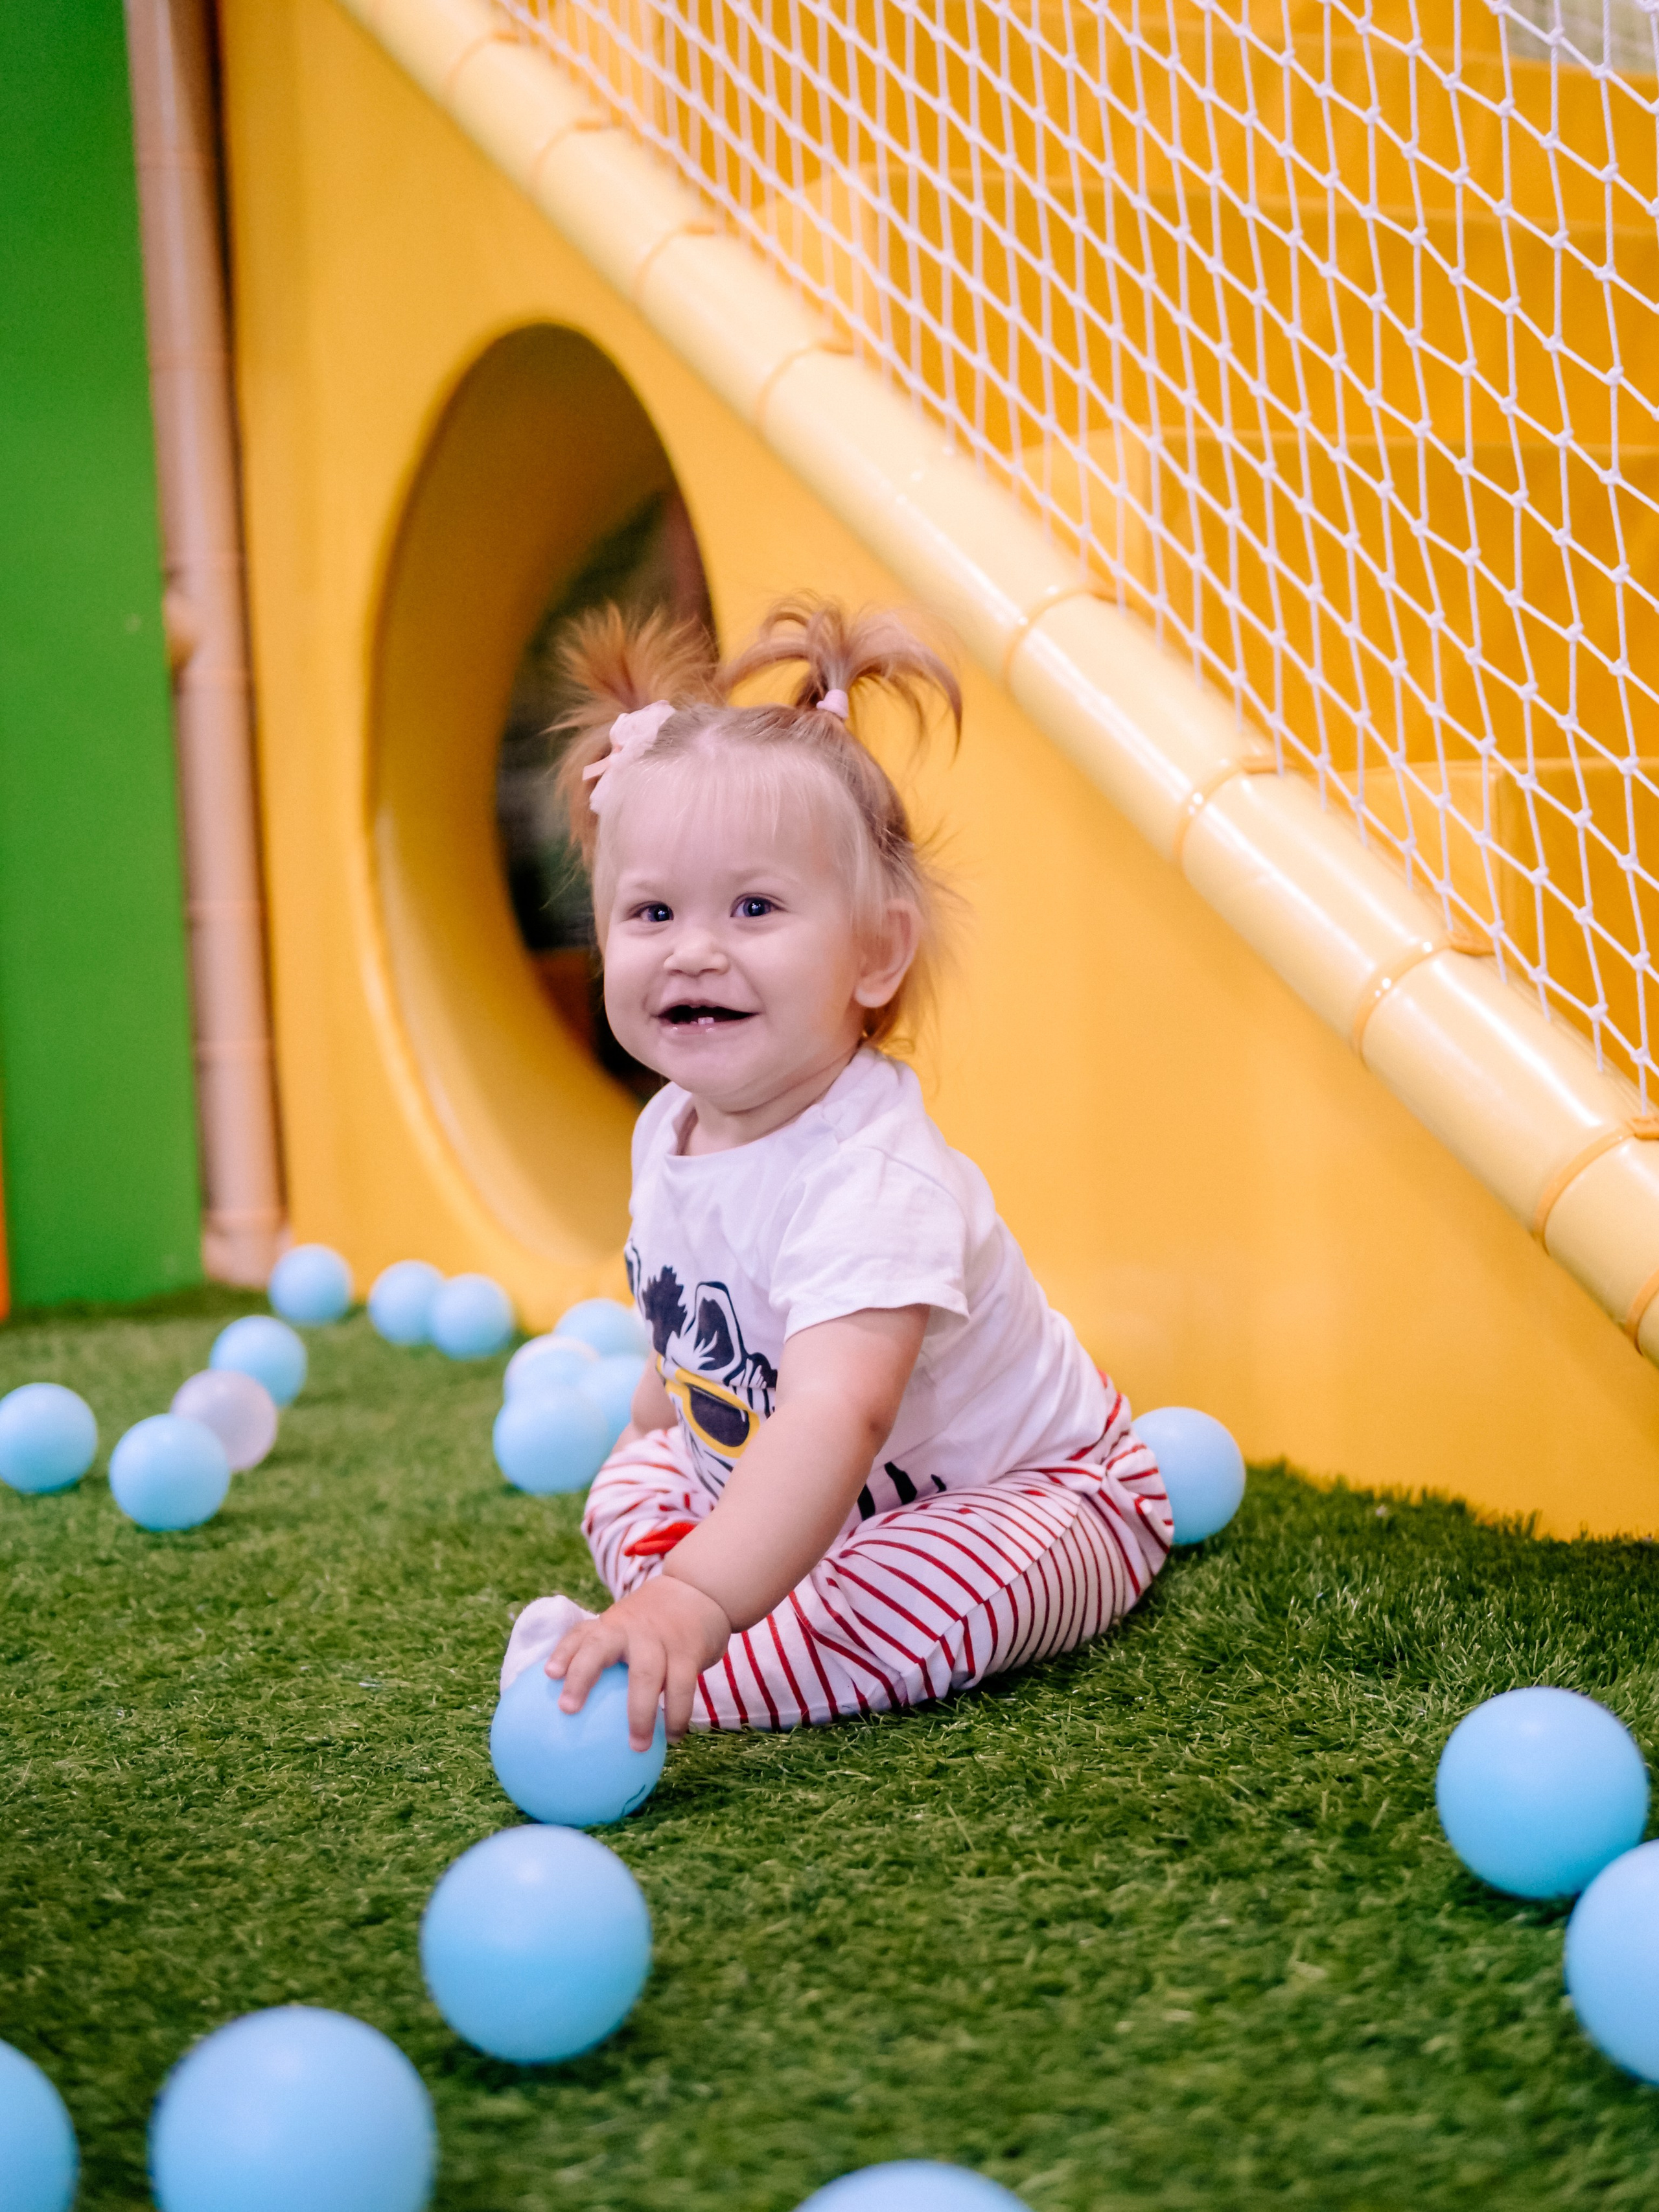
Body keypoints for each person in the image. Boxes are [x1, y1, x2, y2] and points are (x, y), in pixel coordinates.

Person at [501, 596, 1170, 1747]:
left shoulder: (869, 1176)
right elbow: (680, 1320)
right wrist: (649, 1440)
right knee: (627, 1484)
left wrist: (696, 1599)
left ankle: (683, 1664)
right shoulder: (669, 1125)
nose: (695, 947)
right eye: (650, 910)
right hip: (790, 1487)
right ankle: (721, 1600)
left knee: (912, 1599)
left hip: (1022, 1496)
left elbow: (838, 1410)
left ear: (875, 953)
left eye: (755, 907)